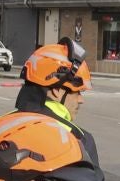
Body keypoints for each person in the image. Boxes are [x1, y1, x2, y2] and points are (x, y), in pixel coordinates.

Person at [14, 40, 99, 171]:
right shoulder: (78, 139)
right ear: (56, 90)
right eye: (77, 92)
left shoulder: (0, 125)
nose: (81, 100)